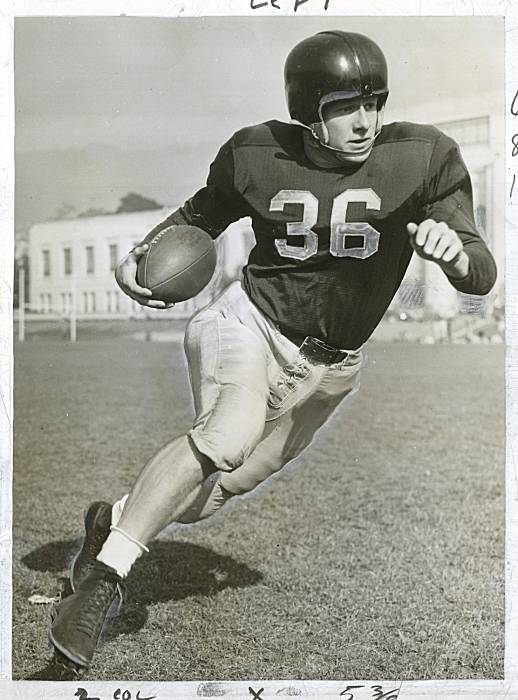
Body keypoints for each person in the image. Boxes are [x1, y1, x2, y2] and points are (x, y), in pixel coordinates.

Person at [49, 30, 497, 670]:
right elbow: (200, 216)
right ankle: (105, 580)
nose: (365, 121)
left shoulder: (423, 157)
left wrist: (456, 257)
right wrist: (143, 253)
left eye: (373, 102)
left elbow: (480, 270)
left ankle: (110, 524)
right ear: (308, 111)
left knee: (205, 499)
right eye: (345, 106)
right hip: (250, 324)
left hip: (332, 369)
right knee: (227, 435)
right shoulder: (257, 153)